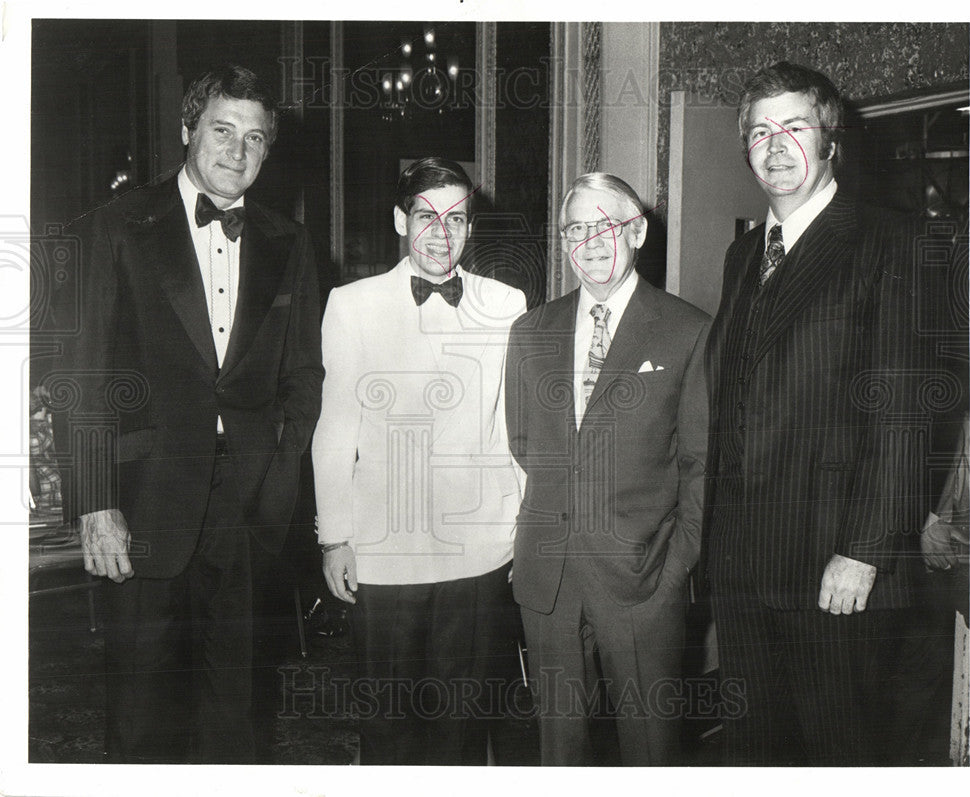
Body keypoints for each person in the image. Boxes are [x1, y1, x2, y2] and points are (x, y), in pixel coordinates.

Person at [53, 65, 323, 763]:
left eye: (256, 139)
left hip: (247, 512)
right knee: (142, 714)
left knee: (237, 713)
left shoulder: (289, 244)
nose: (238, 151)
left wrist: (275, 473)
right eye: (222, 130)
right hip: (143, 506)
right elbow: (81, 378)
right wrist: (94, 503)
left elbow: (302, 377)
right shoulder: (111, 228)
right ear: (186, 130)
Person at [702, 61, 932, 765]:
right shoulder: (744, 253)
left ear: (831, 140)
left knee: (838, 752)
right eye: (761, 131)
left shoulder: (889, 241)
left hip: (834, 566)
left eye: (795, 126)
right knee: (757, 749)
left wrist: (863, 548)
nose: (776, 145)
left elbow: (903, 416)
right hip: (741, 566)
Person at [312, 157, 527, 765]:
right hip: (382, 553)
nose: (441, 232)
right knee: (387, 728)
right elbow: (336, 428)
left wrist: (523, 532)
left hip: (479, 551)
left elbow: (514, 428)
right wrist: (336, 539)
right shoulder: (351, 304)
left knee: (465, 728)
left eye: (456, 218)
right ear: (401, 221)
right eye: (427, 217)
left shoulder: (506, 303)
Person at [504, 172, 710, 765]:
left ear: (638, 231)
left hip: (644, 580)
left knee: (650, 750)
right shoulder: (531, 331)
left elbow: (700, 464)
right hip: (548, 579)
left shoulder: (688, 330)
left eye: (607, 225)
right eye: (576, 228)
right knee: (558, 751)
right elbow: (524, 442)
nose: (591, 241)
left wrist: (676, 568)